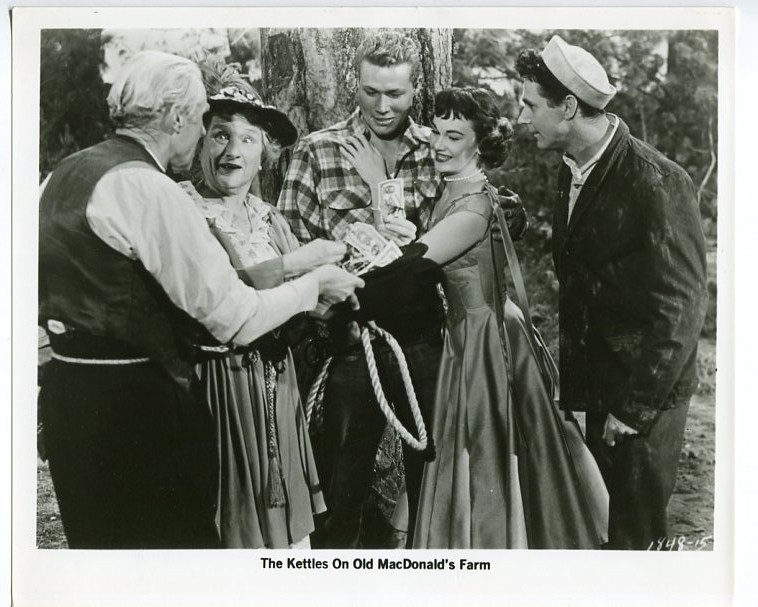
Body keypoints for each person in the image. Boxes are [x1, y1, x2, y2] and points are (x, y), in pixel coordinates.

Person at [37, 51, 363, 549]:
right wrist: (313, 284)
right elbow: (233, 317)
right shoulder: (151, 189)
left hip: (71, 402)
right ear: (177, 118)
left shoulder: (63, 175)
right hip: (138, 408)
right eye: (202, 122)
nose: (200, 135)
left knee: (104, 558)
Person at [348, 86, 609, 548]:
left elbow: (407, 269)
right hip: (468, 330)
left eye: (454, 136)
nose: (439, 144)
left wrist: (377, 185)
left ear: (480, 144)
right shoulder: (456, 189)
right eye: (437, 133)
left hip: (483, 336)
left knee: (487, 453)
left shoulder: (474, 206)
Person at [515, 36, 708, 549]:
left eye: (530, 105)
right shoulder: (574, 167)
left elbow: (682, 308)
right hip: (600, 390)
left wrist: (634, 410)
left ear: (568, 107)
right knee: (606, 535)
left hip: (644, 400)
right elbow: (588, 269)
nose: (522, 117)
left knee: (637, 542)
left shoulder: (657, 181)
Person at [277, 31, 445, 549]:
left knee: (433, 483)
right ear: (356, 85)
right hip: (350, 339)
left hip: (422, 340)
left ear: (415, 90)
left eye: (395, 93)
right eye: (371, 92)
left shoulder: (438, 149)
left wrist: (384, 187)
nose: (382, 106)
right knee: (338, 490)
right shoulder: (317, 150)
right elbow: (288, 246)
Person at [178, 61, 347, 548]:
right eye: (219, 135)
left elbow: (308, 304)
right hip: (216, 388)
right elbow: (215, 297)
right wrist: (299, 269)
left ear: (263, 155)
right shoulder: (183, 210)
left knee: (284, 542)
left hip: (277, 386)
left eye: (247, 139)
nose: (232, 150)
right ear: (201, 144)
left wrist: (353, 278)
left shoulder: (271, 220)